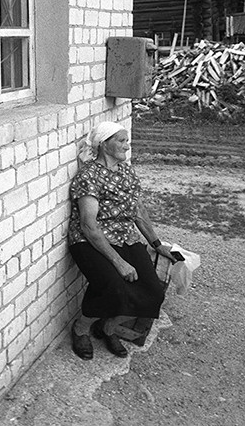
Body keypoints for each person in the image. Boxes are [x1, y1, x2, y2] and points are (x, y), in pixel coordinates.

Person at [67, 121, 176, 360]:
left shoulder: (126, 172)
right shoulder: (89, 176)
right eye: (121, 141)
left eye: (127, 141)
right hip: (89, 240)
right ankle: (81, 328)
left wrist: (157, 244)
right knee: (114, 286)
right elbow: (88, 225)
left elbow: (137, 210)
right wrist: (119, 263)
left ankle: (107, 328)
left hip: (124, 236)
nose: (127, 146)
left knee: (153, 292)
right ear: (104, 145)